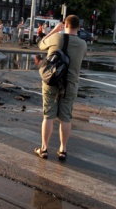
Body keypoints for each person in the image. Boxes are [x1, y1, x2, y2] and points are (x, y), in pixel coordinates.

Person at [34, 15, 87, 161]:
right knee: (65, 118)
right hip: (70, 84)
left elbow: (41, 44)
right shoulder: (83, 44)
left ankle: (44, 149)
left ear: (65, 25)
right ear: (78, 27)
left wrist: (55, 30)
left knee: (48, 116)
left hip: (51, 81)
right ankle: (63, 150)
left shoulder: (56, 37)